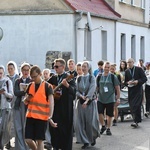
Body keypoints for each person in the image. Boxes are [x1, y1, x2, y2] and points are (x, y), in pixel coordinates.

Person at [24, 65, 56, 150]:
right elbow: (25, 100)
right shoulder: (30, 85)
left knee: (40, 140)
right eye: (32, 77)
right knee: (28, 139)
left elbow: (51, 102)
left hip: (42, 118)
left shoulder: (47, 86)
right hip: (30, 116)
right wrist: (27, 99)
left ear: (40, 74)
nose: (33, 79)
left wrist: (50, 116)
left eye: (35, 76)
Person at [49, 58, 76, 150]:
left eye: (57, 66)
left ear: (63, 67)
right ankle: (55, 146)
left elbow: (74, 92)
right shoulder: (53, 78)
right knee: (55, 129)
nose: (55, 68)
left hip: (66, 108)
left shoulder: (69, 78)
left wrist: (67, 86)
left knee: (66, 130)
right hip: (56, 108)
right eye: (54, 66)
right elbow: (46, 88)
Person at [75, 61, 100, 149]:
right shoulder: (79, 78)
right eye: (82, 66)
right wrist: (80, 96)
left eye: (85, 66)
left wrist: (87, 100)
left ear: (88, 68)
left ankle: (92, 137)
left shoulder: (91, 77)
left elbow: (92, 89)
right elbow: (76, 90)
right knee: (81, 122)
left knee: (90, 122)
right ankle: (85, 141)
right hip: (81, 102)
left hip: (90, 103)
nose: (83, 68)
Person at [97, 61, 120, 135]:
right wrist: (94, 95)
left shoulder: (113, 77)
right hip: (100, 98)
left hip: (110, 98)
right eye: (105, 67)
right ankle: (103, 125)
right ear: (103, 67)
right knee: (100, 112)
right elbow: (97, 87)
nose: (106, 69)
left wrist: (118, 98)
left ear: (110, 68)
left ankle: (108, 128)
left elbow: (117, 88)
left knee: (109, 114)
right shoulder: (99, 76)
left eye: (108, 67)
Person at [14, 62, 32, 150]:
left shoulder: (31, 81)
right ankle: (20, 147)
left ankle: (27, 147)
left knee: (26, 127)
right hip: (18, 105)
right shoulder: (18, 81)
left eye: (27, 70)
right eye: (24, 70)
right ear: (21, 70)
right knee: (18, 127)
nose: (26, 72)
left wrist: (26, 92)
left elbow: (32, 93)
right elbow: (16, 92)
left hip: (28, 106)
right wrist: (24, 91)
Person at [125, 58, 147, 128]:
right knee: (132, 106)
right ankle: (136, 120)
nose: (129, 64)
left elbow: (144, 78)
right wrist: (127, 83)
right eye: (127, 62)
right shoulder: (127, 71)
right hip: (130, 90)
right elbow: (125, 82)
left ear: (133, 62)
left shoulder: (139, 69)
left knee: (136, 105)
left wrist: (137, 81)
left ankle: (135, 121)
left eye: (130, 62)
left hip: (138, 89)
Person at [5, 61, 19, 149]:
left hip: (16, 102)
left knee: (16, 123)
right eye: (8, 69)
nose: (10, 70)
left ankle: (17, 141)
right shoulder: (5, 78)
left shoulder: (18, 78)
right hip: (7, 102)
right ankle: (7, 141)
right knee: (7, 124)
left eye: (11, 68)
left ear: (14, 69)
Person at [0, 65, 14, 149]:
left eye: (1, 73)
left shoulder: (7, 81)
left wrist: (4, 93)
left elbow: (11, 95)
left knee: (3, 129)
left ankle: (2, 146)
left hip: (4, 108)